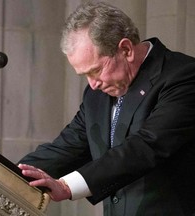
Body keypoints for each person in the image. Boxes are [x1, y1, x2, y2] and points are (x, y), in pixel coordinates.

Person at [18, 1, 195, 215]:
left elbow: (146, 147)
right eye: (85, 76)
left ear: (126, 49)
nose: (93, 84)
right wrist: (7, 172)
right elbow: (68, 146)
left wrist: (66, 186)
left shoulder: (183, 76)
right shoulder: (96, 93)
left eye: (96, 71)